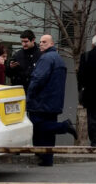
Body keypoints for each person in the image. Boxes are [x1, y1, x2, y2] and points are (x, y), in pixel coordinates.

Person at [27, 34, 77, 166]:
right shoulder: (58, 59)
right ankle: (47, 159)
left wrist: (30, 95)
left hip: (41, 101)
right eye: (40, 42)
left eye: (44, 42)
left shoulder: (46, 58)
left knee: (38, 126)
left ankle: (64, 126)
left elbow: (38, 79)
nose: (41, 44)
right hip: (54, 101)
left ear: (51, 44)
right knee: (48, 132)